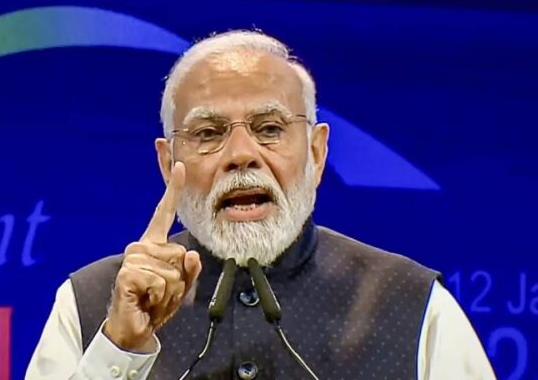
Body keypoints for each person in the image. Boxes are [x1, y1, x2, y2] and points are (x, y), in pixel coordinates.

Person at [26, 30, 495, 379]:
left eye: (270, 129)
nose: (241, 155)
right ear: (168, 164)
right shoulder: (90, 303)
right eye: (208, 133)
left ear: (316, 153)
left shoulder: (412, 306)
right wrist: (120, 349)